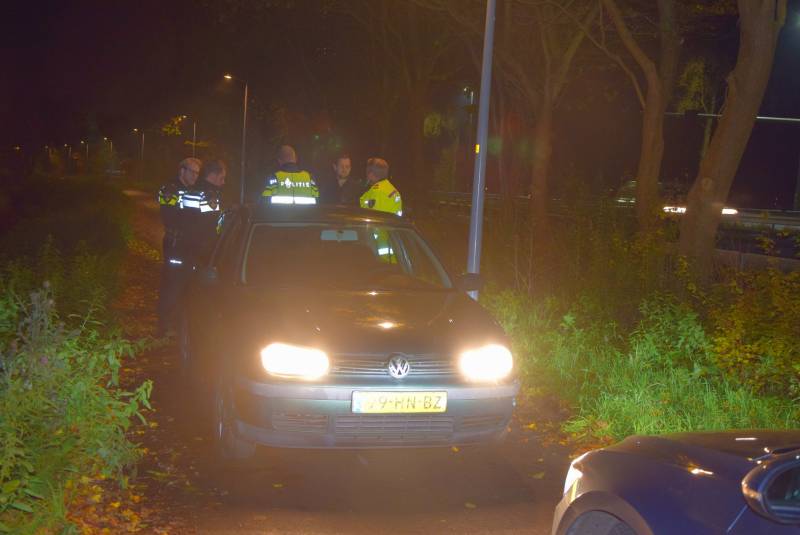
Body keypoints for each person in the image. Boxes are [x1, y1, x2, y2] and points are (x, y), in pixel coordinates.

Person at [156, 157, 202, 335]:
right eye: (192, 172)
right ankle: (164, 325)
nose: (195, 176)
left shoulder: (193, 190)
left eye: (197, 173)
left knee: (185, 283)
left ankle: (176, 323)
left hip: (188, 244)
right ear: (182, 171)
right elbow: (169, 217)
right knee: (172, 283)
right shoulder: (170, 189)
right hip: (175, 244)